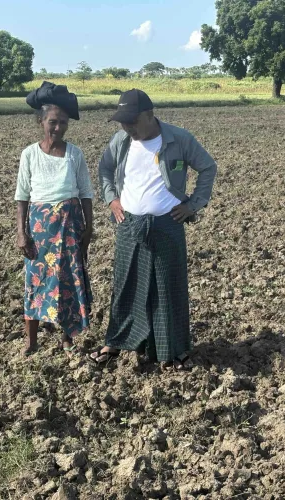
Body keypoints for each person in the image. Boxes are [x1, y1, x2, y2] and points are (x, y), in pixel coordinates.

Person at [90, 89, 217, 368]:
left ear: (149, 115)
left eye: (132, 121)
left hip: (168, 224)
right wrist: (111, 198)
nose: (127, 127)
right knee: (125, 285)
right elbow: (105, 169)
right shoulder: (121, 140)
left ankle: (173, 350)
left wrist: (193, 205)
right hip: (128, 224)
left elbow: (208, 168)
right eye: (123, 122)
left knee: (168, 287)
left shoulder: (179, 139)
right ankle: (115, 342)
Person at [15, 81, 94, 357]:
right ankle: (31, 341)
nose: (58, 127)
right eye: (52, 122)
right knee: (35, 282)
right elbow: (22, 196)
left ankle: (67, 338)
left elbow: (85, 192)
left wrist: (89, 227)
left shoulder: (75, 154)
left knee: (68, 281)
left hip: (70, 226)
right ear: (41, 121)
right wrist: (21, 233)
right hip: (40, 230)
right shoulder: (29, 154)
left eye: (63, 123)